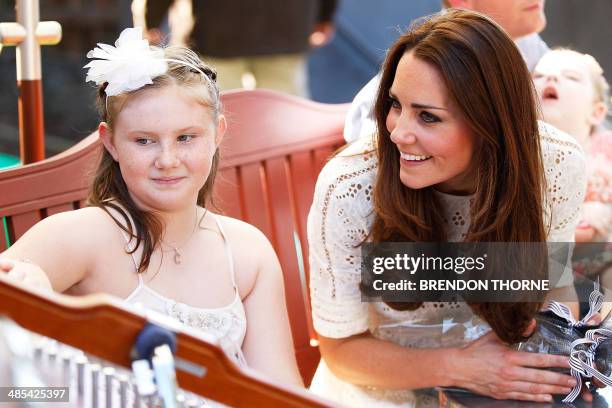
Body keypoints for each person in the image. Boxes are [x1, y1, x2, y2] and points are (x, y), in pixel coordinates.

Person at [307, 9, 587, 407]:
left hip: (501, 380)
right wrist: (463, 369)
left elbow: (555, 286)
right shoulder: (349, 187)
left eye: (428, 117)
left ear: (489, 123)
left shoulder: (556, 164)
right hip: (382, 389)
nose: (399, 132)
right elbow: (340, 352)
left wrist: (544, 352)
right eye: (395, 105)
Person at [0, 27, 303, 387]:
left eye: (186, 137)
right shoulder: (82, 235)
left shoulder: (247, 251)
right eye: (144, 141)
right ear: (110, 143)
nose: (168, 159)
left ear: (218, 134)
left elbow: (280, 389)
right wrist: (25, 285)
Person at [345, 0, 549, 143]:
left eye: (427, 116)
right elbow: (371, 153)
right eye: (428, 116)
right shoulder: (429, 60)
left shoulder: (524, 42)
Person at [142, 0, 338, 97]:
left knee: (220, 114)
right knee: (285, 116)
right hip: (287, 26)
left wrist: (151, 20)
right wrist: (325, 16)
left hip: (217, 30)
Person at [532, 49, 611, 242]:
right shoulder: (518, 154)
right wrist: (580, 220)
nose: (551, 77)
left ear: (596, 112)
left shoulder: (606, 149)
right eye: (538, 75)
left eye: (572, 77)